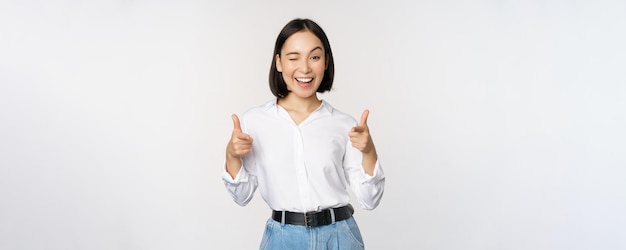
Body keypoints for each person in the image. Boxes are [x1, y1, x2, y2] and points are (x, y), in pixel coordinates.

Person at [222, 18, 385, 250]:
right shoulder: (255, 121)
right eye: (293, 57)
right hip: (282, 239)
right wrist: (231, 156)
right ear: (278, 62)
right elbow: (242, 197)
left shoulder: (343, 124)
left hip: (339, 237)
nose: (305, 68)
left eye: (315, 57)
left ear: (326, 62)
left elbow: (370, 200)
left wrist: (369, 151)